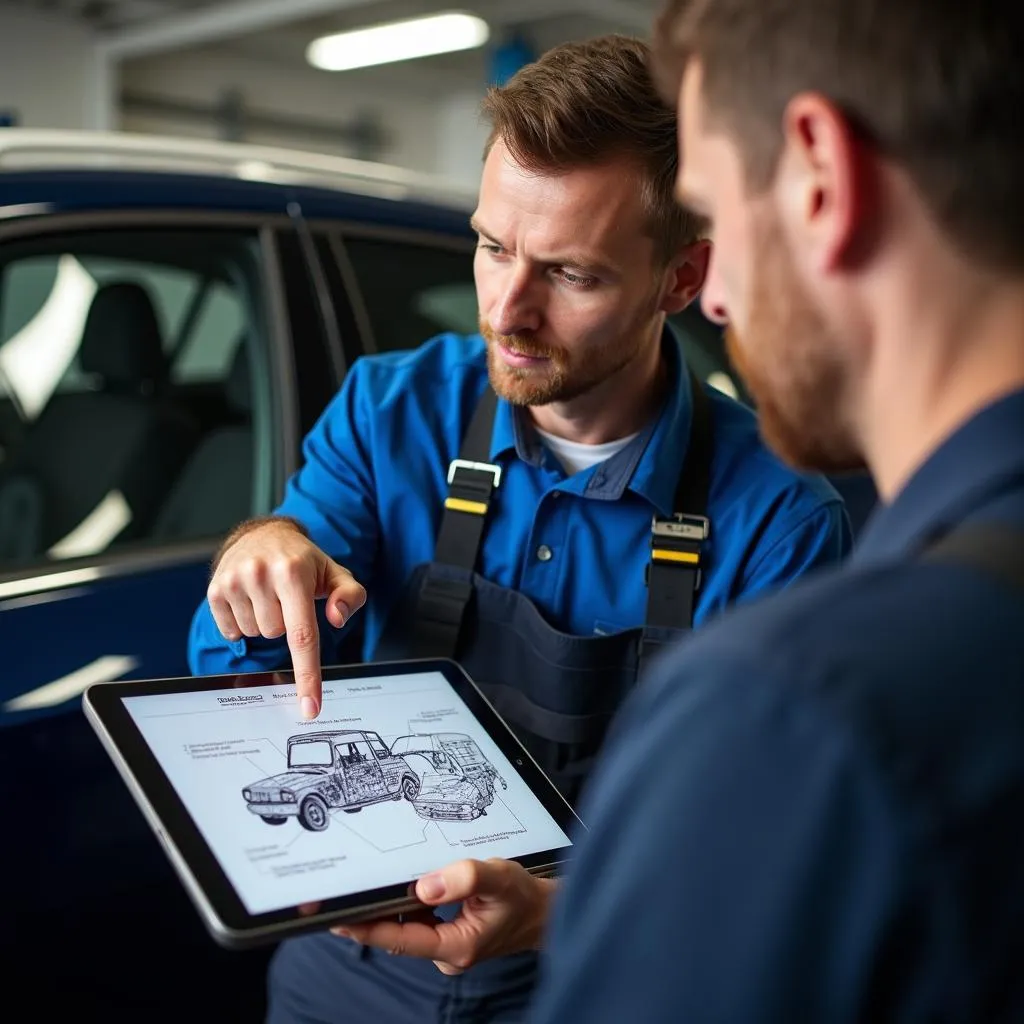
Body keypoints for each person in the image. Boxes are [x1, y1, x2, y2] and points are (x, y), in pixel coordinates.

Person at [188, 34, 851, 1024]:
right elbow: (236, 681)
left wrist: (551, 911)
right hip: (350, 976)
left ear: (681, 278)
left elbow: (769, 853)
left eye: (570, 274)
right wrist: (261, 553)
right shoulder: (388, 411)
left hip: (604, 977)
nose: (506, 308)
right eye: (493, 246)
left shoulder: (780, 523)